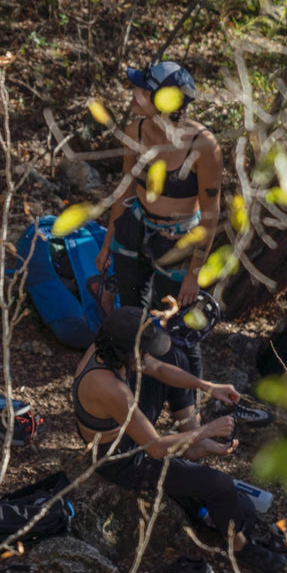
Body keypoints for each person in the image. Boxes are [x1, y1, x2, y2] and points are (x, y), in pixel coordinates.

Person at [72, 307, 287, 573]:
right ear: (128, 353)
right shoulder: (112, 389)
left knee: (176, 359)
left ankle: (192, 448)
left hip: (125, 433)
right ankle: (241, 548)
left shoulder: (107, 347)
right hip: (120, 458)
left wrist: (208, 386)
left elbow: (160, 369)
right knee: (219, 486)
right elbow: (156, 448)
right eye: (144, 350)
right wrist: (207, 430)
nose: (148, 355)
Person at [95, 60, 222, 430]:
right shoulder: (134, 128)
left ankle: (189, 420)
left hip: (178, 240)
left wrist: (193, 275)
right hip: (135, 229)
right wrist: (108, 241)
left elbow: (212, 213)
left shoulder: (203, 146)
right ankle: (136, 404)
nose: (132, 96)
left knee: (179, 329)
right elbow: (124, 186)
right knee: (133, 317)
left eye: (141, 91)